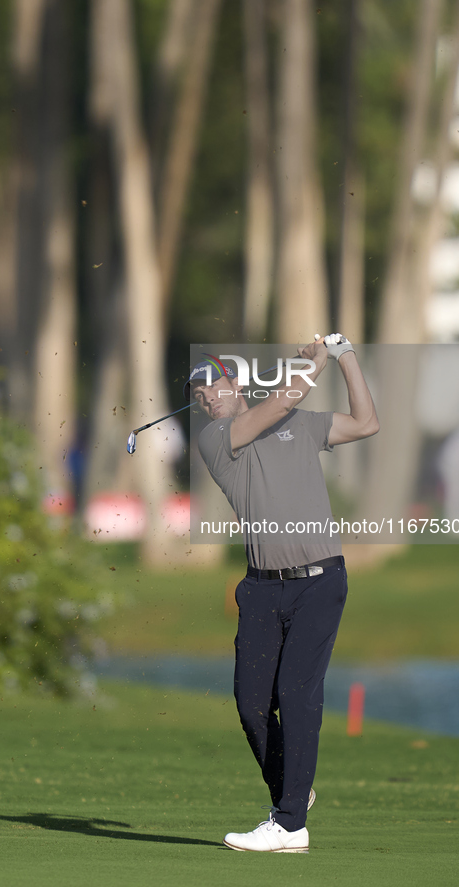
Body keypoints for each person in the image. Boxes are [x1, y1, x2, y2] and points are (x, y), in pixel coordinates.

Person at [186, 334, 379, 853]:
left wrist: (343, 357)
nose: (207, 397)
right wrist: (313, 362)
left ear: (238, 384)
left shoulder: (299, 423)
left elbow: (366, 422)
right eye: (199, 392)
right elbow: (281, 401)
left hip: (319, 583)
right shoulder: (217, 438)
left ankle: (290, 823)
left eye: (214, 385)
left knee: (297, 695)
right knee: (251, 704)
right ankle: (294, 792)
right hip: (260, 589)